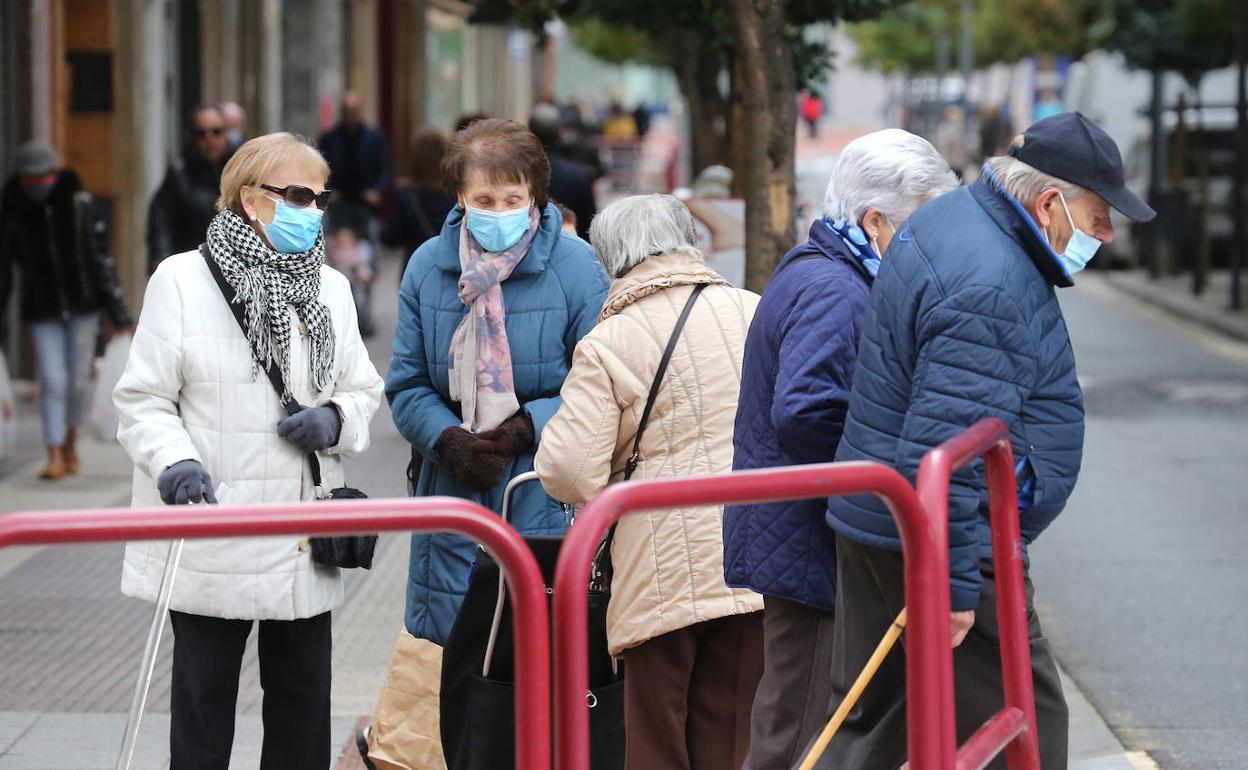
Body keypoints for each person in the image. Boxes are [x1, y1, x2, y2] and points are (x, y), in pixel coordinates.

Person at [818, 112, 1156, 769]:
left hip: (888, 522)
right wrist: (954, 584)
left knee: (880, 726)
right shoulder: (991, 280)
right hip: (944, 537)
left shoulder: (959, 220)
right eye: (1098, 215)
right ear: (1050, 202)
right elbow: (946, 448)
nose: (1107, 234)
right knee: (1020, 720)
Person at [115, 132, 384, 770]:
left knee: (300, 704)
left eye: (319, 197)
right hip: (214, 526)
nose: (311, 210)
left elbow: (363, 389)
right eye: (296, 195)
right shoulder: (180, 280)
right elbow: (143, 397)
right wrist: (172, 461)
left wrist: (334, 418)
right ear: (249, 199)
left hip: (300, 528)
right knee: (203, 706)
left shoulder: (331, 289)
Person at [724, 129, 956, 770]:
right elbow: (805, 413)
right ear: (876, 220)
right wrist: (888, 474)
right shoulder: (836, 288)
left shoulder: (831, 272)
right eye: (920, 225)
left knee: (804, 722)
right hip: (810, 543)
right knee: (802, 733)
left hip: (801, 535)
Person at [536, 194, 764, 770]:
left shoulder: (610, 342)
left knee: (657, 738)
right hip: (752, 550)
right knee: (730, 732)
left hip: (658, 570)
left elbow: (568, 470)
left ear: (609, 258)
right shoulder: (753, 310)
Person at [385, 112, 609, 691]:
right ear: (460, 195)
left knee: (543, 665)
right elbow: (406, 384)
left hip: (544, 490)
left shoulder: (577, 267)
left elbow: (600, 385)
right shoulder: (427, 267)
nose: (501, 211)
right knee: (458, 672)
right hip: (452, 493)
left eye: (514, 198)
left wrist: (523, 427)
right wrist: (446, 437)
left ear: (536, 194)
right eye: (485, 197)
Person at [0, 141, 132, 479]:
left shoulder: (77, 204)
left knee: (76, 381)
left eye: (41, 178)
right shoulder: (11, 210)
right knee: (53, 380)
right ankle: (54, 450)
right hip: (41, 308)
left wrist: (115, 311)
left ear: (54, 175)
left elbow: (99, 258)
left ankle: (71, 439)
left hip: (83, 305)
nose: (36, 186)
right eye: (29, 180)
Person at [319, 92, 394, 336]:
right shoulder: (330, 139)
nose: (351, 116)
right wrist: (329, 193)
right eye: (347, 111)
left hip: (364, 208)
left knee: (366, 260)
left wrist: (376, 192)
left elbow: (385, 172)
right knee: (333, 256)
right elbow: (320, 170)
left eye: (354, 111)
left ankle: (365, 312)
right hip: (339, 206)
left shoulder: (373, 139)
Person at [148, 105, 233, 271]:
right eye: (201, 133)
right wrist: (161, 260)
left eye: (216, 132)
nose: (209, 139)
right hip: (192, 265)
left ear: (226, 134)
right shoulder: (179, 175)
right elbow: (161, 219)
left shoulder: (240, 171)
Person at [381, 128, 455, 268]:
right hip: (449, 267)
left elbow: (390, 237)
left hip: (415, 266)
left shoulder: (406, 195)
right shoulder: (455, 193)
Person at [530, 103, 597, 240]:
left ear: (530, 132)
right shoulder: (579, 175)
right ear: (560, 132)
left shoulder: (520, 173)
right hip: (572, 243)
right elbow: (589, 225)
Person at [936, 104, 970, 180]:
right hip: (952, 163)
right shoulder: (947, 129)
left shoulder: (955, 128)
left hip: (956, 163)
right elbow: (945, 146)